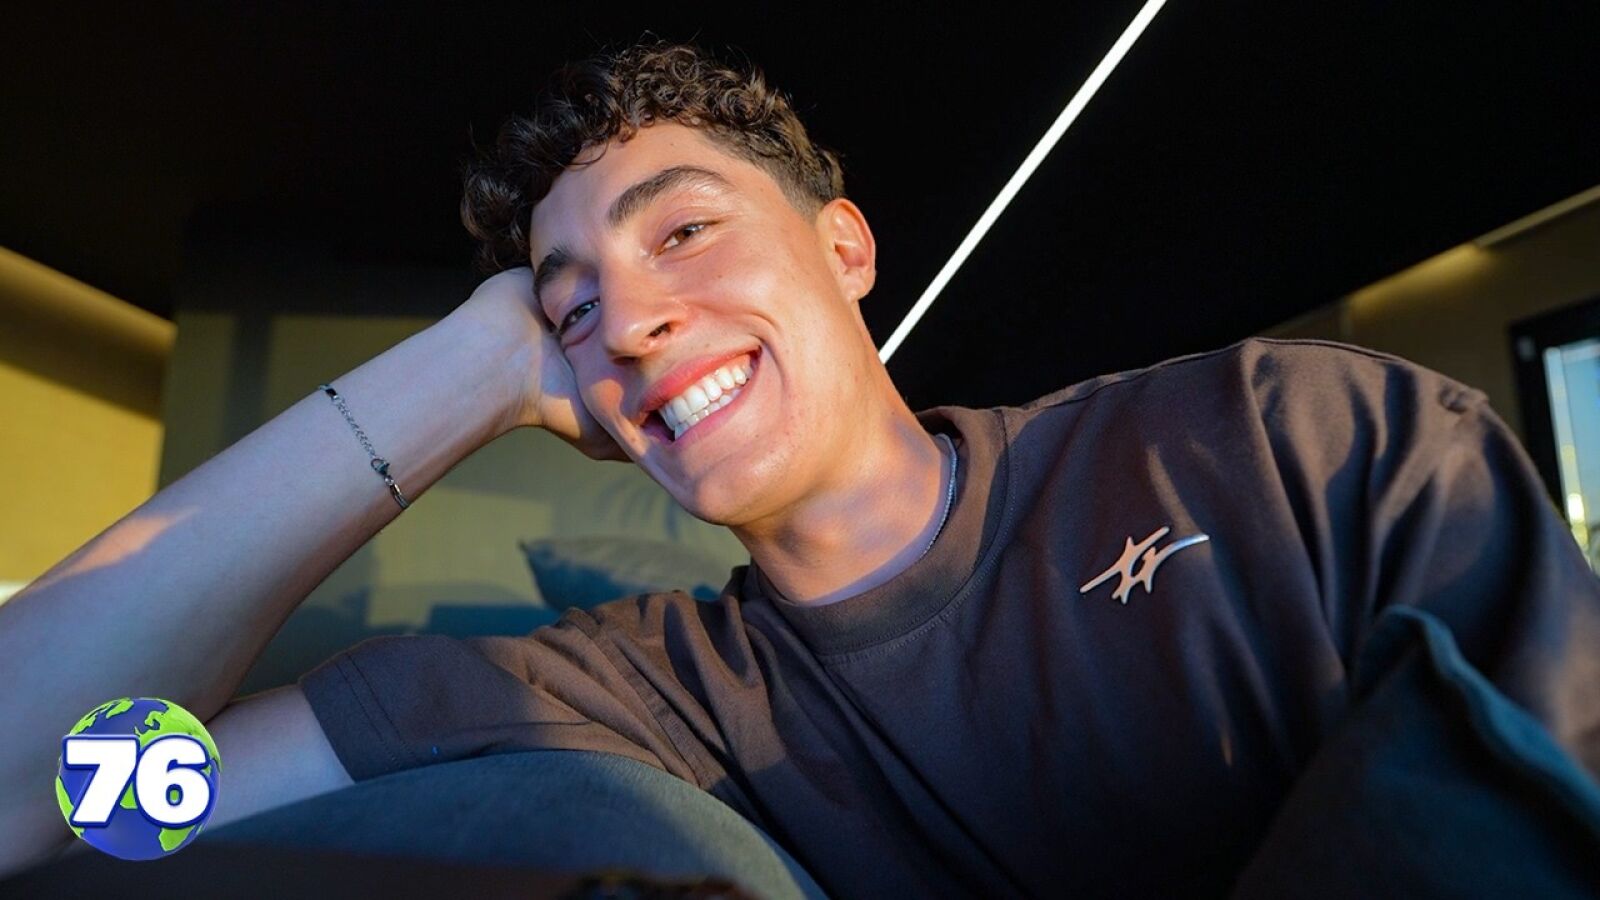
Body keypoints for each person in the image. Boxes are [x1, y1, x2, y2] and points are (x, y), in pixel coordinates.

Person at [2, 41, 1597, 896]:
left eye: (685, 231)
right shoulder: (630, 692)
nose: (630, 319)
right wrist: (461, 371)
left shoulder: (1274, 439)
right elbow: (49, 802)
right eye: (572, 309)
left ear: (845, 249)